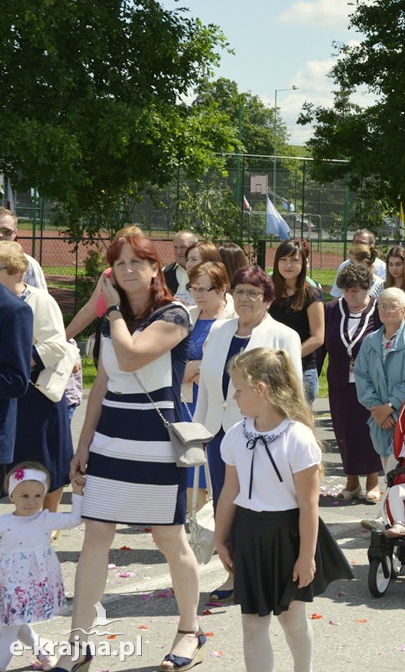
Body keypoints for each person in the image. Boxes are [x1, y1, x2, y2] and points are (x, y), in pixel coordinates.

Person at [64, 231, 202, 672]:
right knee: (96, 538)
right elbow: (102, 384)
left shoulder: (176, 312)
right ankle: (78, 641)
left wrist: (114, 311)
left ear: (154, 268)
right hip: (110, 441)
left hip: (155, 444)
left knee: (169, 539)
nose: (127, 271)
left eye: (136, 262)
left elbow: (131, 357)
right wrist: (82, 445)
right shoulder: (113, 319)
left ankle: (189, 630)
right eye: (118, 263)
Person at [214, 348, 353, 672]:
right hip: (248, 533)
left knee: (292, 619)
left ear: (261, 389)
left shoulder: (297, 438)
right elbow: (228, 494)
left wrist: (307, 558)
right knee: (252, 623)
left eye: (238, 389)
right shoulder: (236, 435)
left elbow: (307, 505)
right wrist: (221, 539)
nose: (234, 397)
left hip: (288, 534)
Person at [192, 266, 302, 602]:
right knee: (225, 507)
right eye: (239, 291)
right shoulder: (220, 332)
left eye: (253, 293)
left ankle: (265, 571)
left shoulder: (284, 336)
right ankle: (234, 575)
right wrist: (197, 432)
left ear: (268, 299)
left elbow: (291, 390)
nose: (244, 299)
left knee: (258, 507)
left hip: (263, 435)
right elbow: (208, 389)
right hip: (218, 433)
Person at [0, 242, 75, 513]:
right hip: (8, 392)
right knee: (14, 464)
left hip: (37, 394)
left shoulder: (39, 300)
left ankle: (48, 521)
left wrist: (19, 355)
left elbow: (57, 346)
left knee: (43, 461)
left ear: (17, 272)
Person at [0, 462, 84, 672]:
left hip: (30, 584)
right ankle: (43, 649)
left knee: (9, 627)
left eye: (38, 496)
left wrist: (77, 493)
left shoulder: (45, 519)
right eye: (24, 496)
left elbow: (75, 519)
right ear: (11, 496)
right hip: (7, 583)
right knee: (13, 623)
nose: (32, 502)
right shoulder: (3, 522)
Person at [354, 287, 405, 470]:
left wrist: (389, 408)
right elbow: (361, 376)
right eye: (382, 306)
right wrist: (377, 410)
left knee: (398, 475)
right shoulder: (370, 341)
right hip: (380, 421)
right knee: (389, 475)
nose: (387, 310)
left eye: (393, 306)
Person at [325, 264, 383, 502]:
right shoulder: (331, 309)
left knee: (369, 430)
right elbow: (322, 346)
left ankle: (373, 480)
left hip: (370, 383)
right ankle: (351, 481)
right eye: (348, 290)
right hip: (340, 381)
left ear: (368, 289)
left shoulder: (379, 311)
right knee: (344, 431)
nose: (353, 295)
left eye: (358, 290)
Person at [182, 262, 236, 510]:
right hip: (185, 397)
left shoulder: (234, 318)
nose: (197, 295)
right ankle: (197, 528)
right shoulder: (186, 315)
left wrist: (196, 368)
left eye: (204, 289)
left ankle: (219, 523)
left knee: (217, 466)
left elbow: (233, 359)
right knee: (190, 463)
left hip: (219, 401)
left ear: (223, 288)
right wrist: (187, 369)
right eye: (193, 288)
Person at [269, 240, 326, 405]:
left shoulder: (312, 294)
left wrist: (286, 357)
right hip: (270, 369)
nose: (288, 265)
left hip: (301, 369)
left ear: (303, 264)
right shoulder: (267, 293)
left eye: (294, 260)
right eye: (284, 259)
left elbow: (318, 337)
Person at [0, 209, 46, 290]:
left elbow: (38, 300)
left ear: (15, 233)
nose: (0, 235)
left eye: (6, 231)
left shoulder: (29, 265)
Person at [175, 240, 222, 306]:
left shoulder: (226, 299)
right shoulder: (181, 296)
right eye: (187, 259)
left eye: (194, 259)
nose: (188, 265)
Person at [163, 229, 199, 296]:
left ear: (194, 247)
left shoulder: (206, 273)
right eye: (176, 247)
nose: (178, 252)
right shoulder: (165, 272)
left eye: (183, 247)